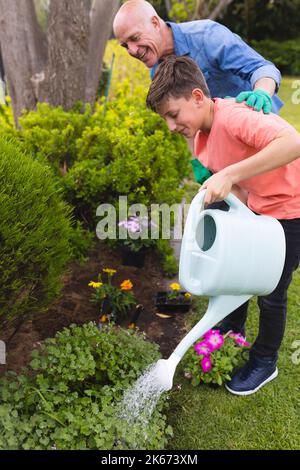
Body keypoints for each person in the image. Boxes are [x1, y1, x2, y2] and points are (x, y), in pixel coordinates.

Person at [146, 55, 300, 395]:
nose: (171, 125)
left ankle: (265, 361)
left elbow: (292, 143)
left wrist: (229, 174)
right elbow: (225, 171)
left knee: (272, 292)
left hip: (290, 211)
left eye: (174, 115)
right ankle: (232, 333)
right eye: (165, 120)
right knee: (235, 273)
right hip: (257, 209)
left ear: (198, 97)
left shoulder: (233, 117)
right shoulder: (201, 133)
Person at [113, 0, 283, 184]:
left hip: (259, 137)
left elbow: (261, 68)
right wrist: (198, 159)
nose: (132, 50)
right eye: (125, 45)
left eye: (135, 38)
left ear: (155, 22)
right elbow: (184, 117)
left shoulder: (206, 36)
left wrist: (262, 93)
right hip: (227, 153)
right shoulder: (157, 71)